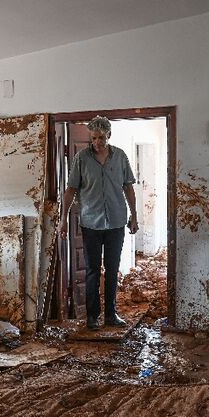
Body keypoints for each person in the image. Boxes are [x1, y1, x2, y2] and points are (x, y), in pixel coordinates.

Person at [59, 116, 139, 330]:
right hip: (90, 223)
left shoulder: (120, 157)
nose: (97, 142)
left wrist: (134, 216)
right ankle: (93, 316)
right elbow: (70, 190)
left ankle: (111, 314)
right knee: (93, 270)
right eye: (93, 138)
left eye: (101, 138)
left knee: (112, 269)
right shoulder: (81, 159)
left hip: (116, 222)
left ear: (109, 136)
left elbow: (128, 188)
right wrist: (63, 220)